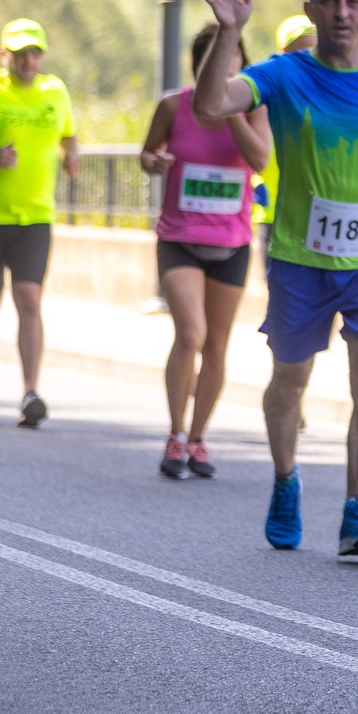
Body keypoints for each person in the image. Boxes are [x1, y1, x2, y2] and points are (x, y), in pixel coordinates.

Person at [192, 0, 358, 557]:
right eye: (329, 0)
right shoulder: (283, 75)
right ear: (311, 11)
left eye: (352, 1)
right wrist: (229, 32)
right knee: (290, 380)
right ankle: (285, 479)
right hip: (301, 257)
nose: (341, 12)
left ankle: (357, 509)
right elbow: (211, 105)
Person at [139, 26, 273, 479]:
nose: (226, 64)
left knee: (216, 345)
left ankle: (197, 439)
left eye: (234, 55)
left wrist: (229, 110)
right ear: (200, 64)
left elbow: (261, 161)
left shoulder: (255, 108)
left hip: (231, 243)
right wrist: (154, 162)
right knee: (191, 333)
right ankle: (175, 435)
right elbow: (146, 153)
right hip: (179, 238)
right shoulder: (172, 105)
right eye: (217, 56)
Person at [0, 19, 78, 427]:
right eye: (20, 53)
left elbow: (68, 135)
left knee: (29, 297)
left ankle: (30, 392)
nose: (29, 60)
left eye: (35, 52)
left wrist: (72, 156)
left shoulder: (55, 91)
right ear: (4, 55)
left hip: (35, 216)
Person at [252, 14, 317, 264]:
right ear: (283, 52)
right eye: (300, 50)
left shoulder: (328, 96)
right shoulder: (267, 93)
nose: (307, 57)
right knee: (277, 286)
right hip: (274, 214)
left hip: (316, 215)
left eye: (314, 50)